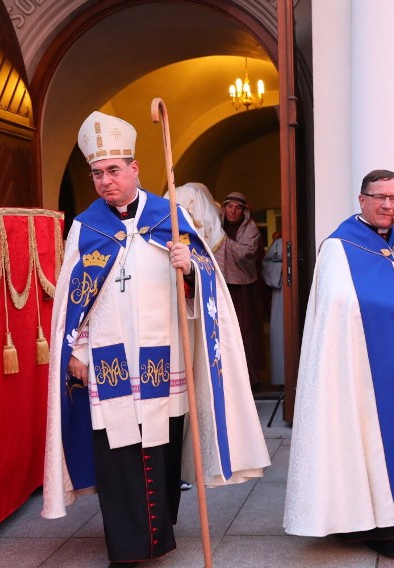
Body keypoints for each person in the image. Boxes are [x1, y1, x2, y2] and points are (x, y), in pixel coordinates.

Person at [42, 111, 270, 565]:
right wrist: (76, 350)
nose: (105, 181)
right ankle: (126, 546)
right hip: (106, 360)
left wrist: (193, 269)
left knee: (160, 449)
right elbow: (72, 299)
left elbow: (208, 287)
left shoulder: (170, 218)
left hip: (163, 357)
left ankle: (158, 532)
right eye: (97, 173)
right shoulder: (86, 229)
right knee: (117, 451)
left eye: (113, 171)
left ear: (135, 169)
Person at [284, 169, 394, 558]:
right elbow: (337, 307)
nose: (388, 205)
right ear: (362, 200)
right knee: (366, 443)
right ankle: (376, 526)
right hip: (356, 369)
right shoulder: (339, 248)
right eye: (379, 197)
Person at [213, 192, 265, 387]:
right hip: (221, 285)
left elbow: (246, 253)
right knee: (221, 332)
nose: (233, 211)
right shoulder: (216, 228)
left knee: (244, 332)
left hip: (243, 289)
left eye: (237, 207)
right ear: (223, 208)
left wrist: (223, 242)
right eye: (229, 206)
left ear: (244, 211)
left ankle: (247, 381)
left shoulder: (250, 229)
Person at [262, 231, 285, 386]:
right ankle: (281, 381)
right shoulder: (278, 244)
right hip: (282, 294)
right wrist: (284, 268)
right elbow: (266, 266)